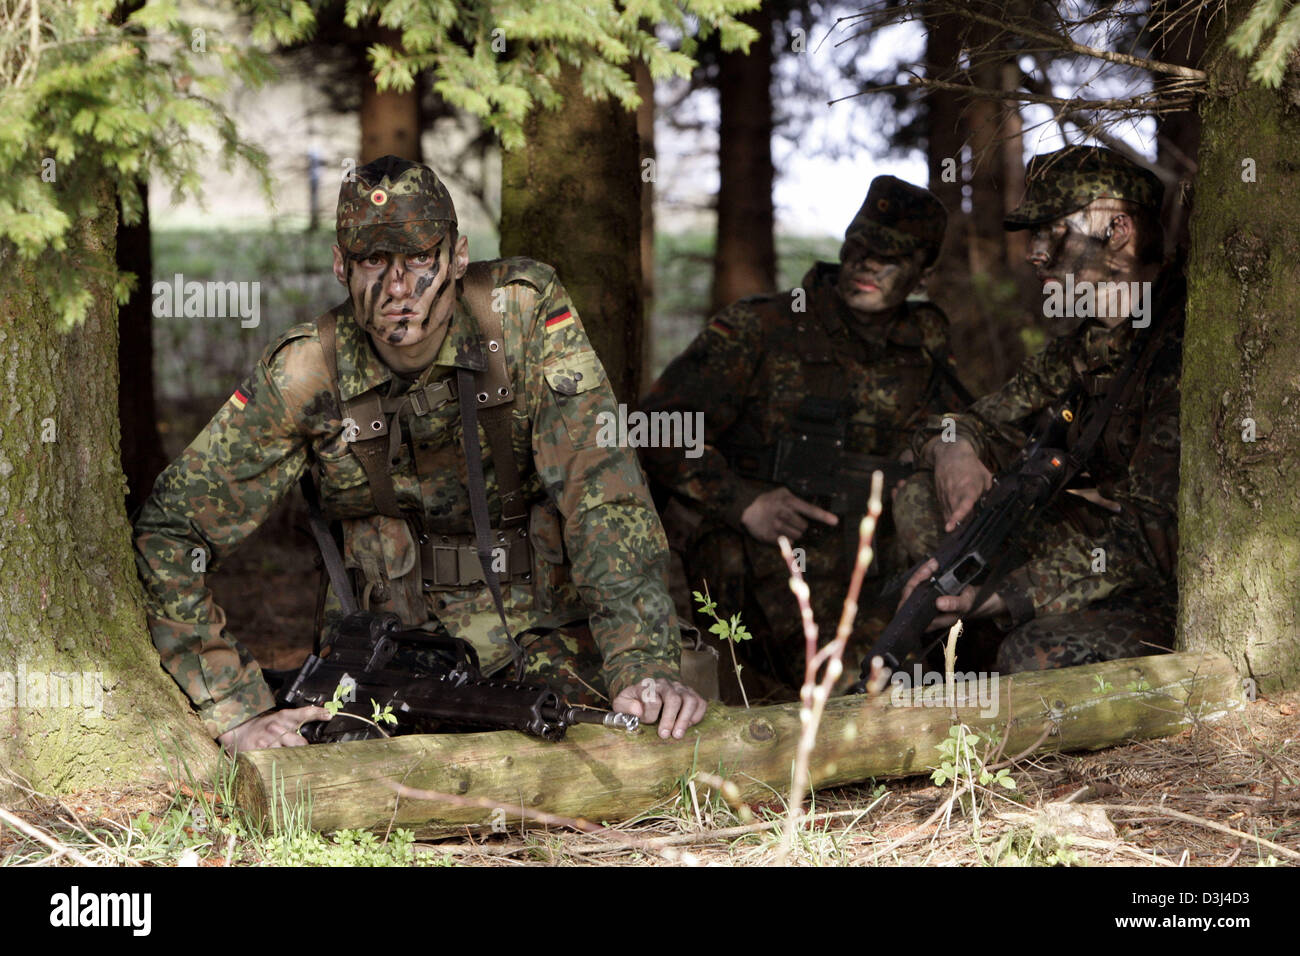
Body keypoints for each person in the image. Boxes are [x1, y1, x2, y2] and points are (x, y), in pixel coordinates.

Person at [133, 155, 707, 752]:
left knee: (643, 738)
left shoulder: (521, 317)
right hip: (386, 663)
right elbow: (172, 532)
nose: (398, 288)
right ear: (341, 266)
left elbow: (604, 493)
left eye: (419, 258)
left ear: (457, 257)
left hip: (547, 639)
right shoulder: (308, 370)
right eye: (374, 261)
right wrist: (236, 708)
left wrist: (641, 661)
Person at [639, 176, 966, 695]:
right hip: (764, 573)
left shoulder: (924, 341)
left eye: (889, 258)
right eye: (859, 246)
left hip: (876, 570)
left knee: (920, 680)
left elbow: (955, 427)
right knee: (852, 690)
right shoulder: (763, 327)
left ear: (923, 275)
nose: (865, 265)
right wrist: (744, 501)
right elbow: (656, 426)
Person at [893, 145, 1182, 672]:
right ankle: (968, 657)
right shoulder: (1084, 347)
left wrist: (1007, 595)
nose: (1032, 253)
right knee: (919, 495)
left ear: (1117, 232)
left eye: (1050, 232)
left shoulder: (1182, 348)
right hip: (1098, 567)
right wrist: (954, 451)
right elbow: (971, 419)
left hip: (1167, 585)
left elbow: (1152, 538)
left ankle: (998, 650)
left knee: (1033, 655)